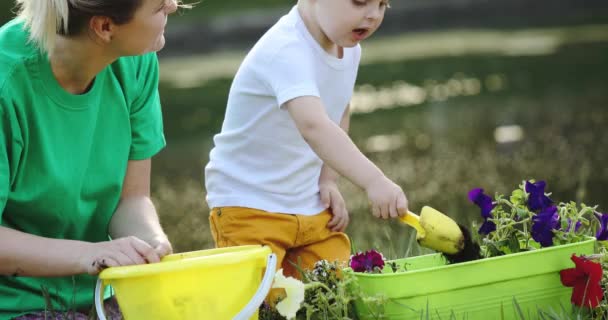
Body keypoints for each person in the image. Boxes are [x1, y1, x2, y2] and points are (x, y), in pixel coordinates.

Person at [0, 0, 182, 318]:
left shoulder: (136, 60)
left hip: (97, 295)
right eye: (158, 7)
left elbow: (132, 198)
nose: (173, 6)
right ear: (104, 27)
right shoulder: (7, 83)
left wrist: (151, 243)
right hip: (15, 306)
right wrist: (92, 255)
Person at [204, 0, 408, 280]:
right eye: (360, 1)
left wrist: (328, 179)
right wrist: (373, 181)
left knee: (335, 290)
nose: (373, 15)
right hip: (250, 206)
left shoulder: (349, 51)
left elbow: (339, 110)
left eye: (383, 3)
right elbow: (314, 125)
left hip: (307, 205)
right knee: (261, 303)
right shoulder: (286, 49)